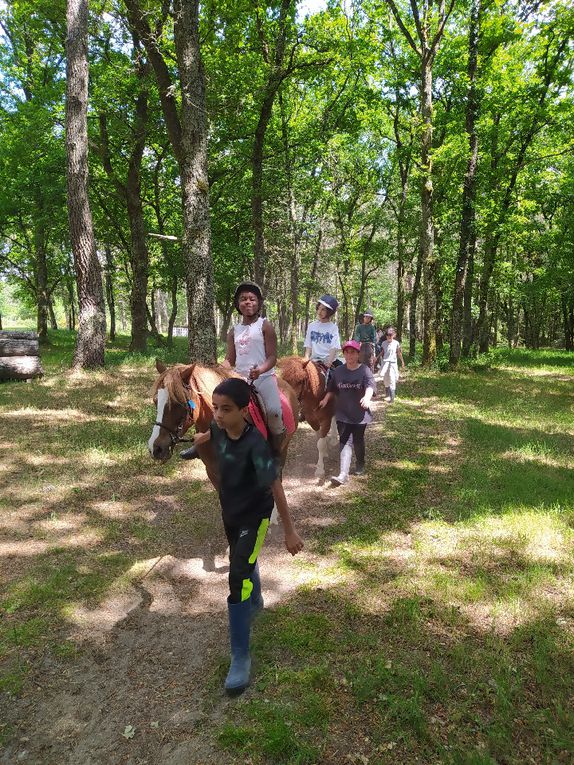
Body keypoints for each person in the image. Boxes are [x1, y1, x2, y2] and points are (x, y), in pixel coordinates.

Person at [209, 377, 303, 695]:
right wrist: (197, 447)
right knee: (242, 557)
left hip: (255, 515)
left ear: (245, 410)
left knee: (237, 578)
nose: (219, 415)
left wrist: (289, 530)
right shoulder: (216, 429)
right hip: (230, 513)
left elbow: (275, 486)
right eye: (215, 408)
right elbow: (207, 440)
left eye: (226, 409)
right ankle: (257, 597)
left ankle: (240, 657)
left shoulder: (256, 446)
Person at [181, 280, 284, 461]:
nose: (248, 302)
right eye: (243, 299)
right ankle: (200, 444)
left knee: (274, 412)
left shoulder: (265, 325)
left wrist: (260, 370)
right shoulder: (233, 331)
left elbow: (272, 357)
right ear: (238, 304)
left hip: (264, 377)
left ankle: (276, 449)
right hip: (239, 378)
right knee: (214, 406)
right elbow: (230, 359)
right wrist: (219, 369)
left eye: (252, 299)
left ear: (259, 303)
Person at [318, 339, 376, 485]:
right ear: (344, 354)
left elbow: (370, 386)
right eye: (347, 352)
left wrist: (367, 397)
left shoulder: (364, 370)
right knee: (345, 441)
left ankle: (360, 463)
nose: (349, 356)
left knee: (358, 440)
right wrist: (325, 400)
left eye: (353, 353)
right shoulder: (338, 371)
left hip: (360, 414)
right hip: (342, 414)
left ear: (358, 355)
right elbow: (332, 389)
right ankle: (343, 474)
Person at [303, 294, 342, 369]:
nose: (319, 312)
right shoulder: (312, 326)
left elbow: (334, 347)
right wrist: (306, 358)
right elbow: (308, 344)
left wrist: (329, 362)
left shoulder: (333, 328)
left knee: (341, 375)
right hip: (314, 361)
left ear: (329, 312)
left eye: (323, 309)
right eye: (319, 308)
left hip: (329, 362)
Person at [379, 326, 405, 403]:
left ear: (393, 335)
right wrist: (376, 359)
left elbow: (399, 353)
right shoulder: (383, 343)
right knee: (386, 379)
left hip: (393, 363)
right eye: (387, 335)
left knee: (393, 378)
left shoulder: (396, 343)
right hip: (385, 363)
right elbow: (382, 352)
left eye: (390, 335)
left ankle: (392, 397)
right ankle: (387, 394)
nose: (389, 336)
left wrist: (402, 361)